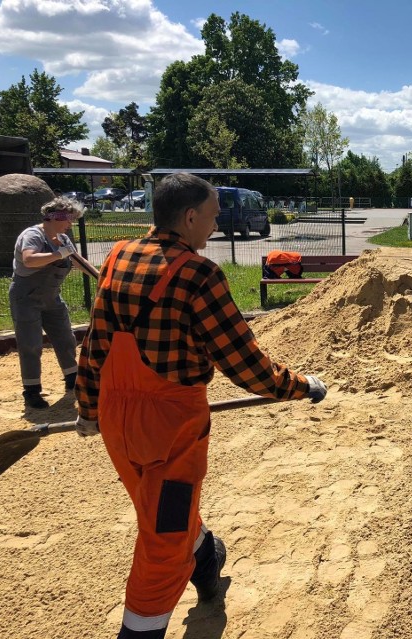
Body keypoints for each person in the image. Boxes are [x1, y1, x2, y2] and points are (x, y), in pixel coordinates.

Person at [74, 173, 328, 638]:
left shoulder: (118, 256)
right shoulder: (199, 274)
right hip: (170, 430)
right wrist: (301, 386)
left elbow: (96, 343)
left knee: (158, 511)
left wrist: (89, 407)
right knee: (163, 541)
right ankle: (140, 630)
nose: (213, 229)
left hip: (116, 417)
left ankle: (207, 559)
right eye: (212, 218)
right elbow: (245, 364)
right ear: (190, 217)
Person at [10, 196, 97, 409]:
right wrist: (58, 253)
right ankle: (31, 391)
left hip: (52, 298)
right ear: (54, 218)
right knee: (31, 344)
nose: (70, 224)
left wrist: (102, 279)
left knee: (65, 338)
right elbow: (30, 259)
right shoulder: (32, 235)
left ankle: (71, 378)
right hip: (26, 298)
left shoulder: (63, 238)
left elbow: (78, 261)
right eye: (68, 220)